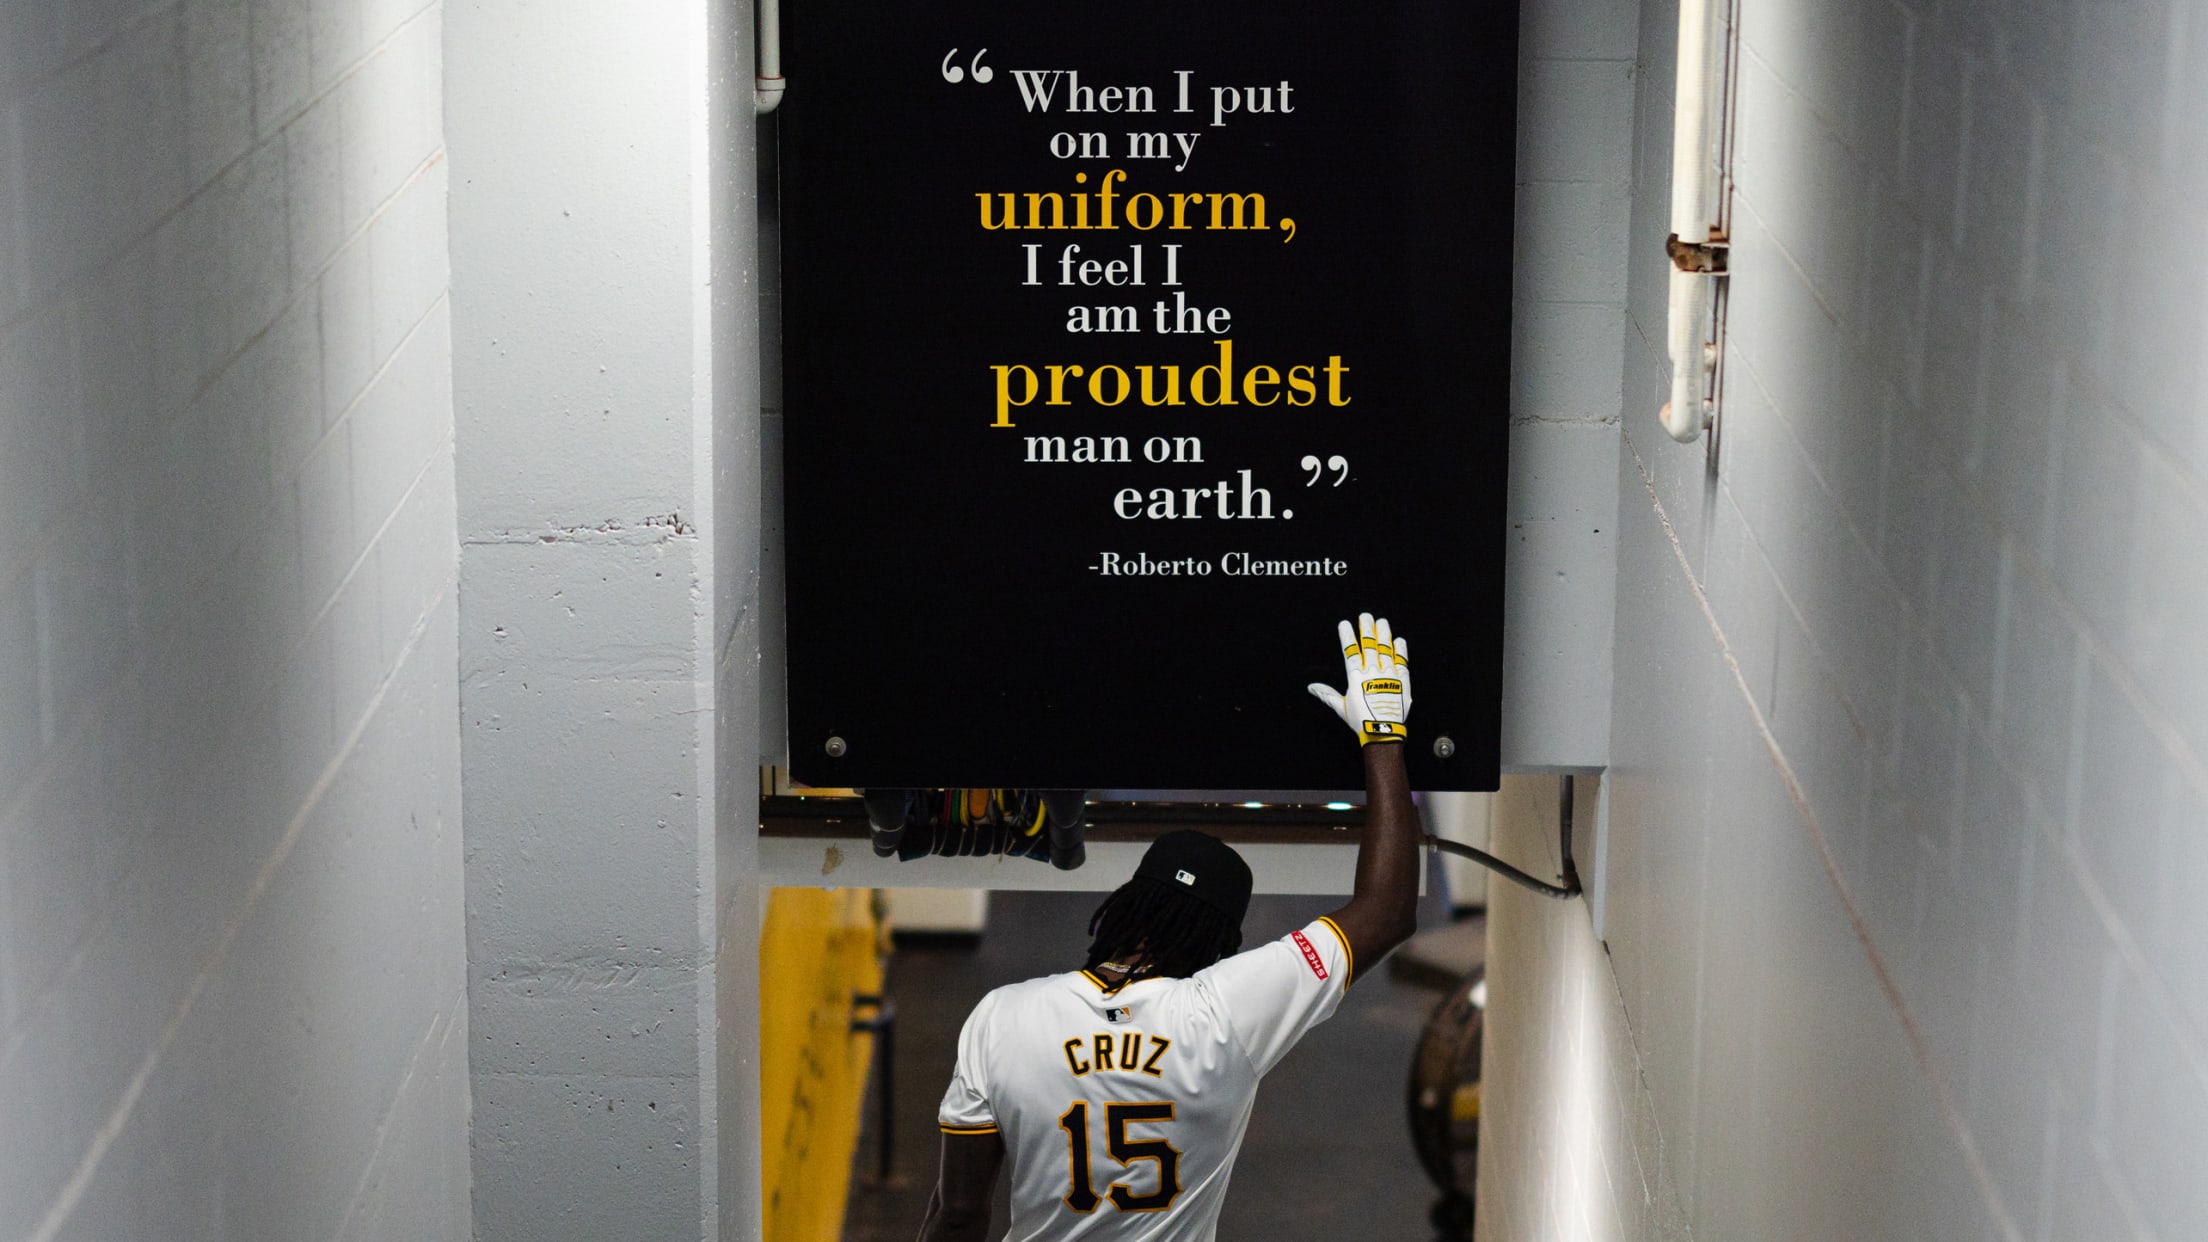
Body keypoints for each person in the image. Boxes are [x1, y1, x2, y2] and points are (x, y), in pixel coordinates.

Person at [917, 614, 1421, 1241]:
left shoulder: (1001, 1017)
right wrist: (1383, 736)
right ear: (1219, 944)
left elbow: (959, 1213)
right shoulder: (1223, 1013)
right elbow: (1389, 909)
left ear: (1126, 908)